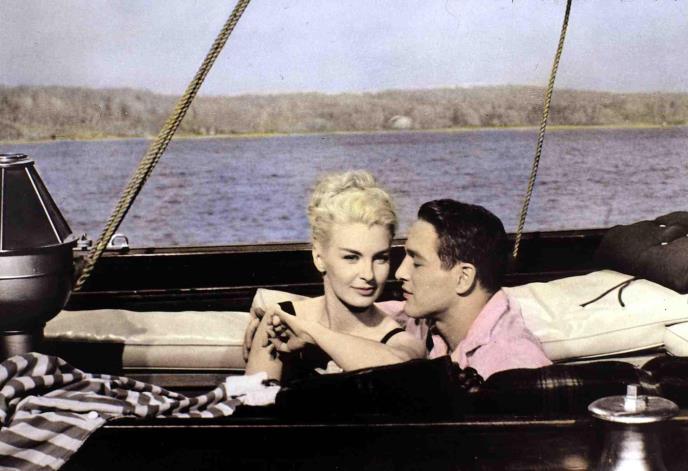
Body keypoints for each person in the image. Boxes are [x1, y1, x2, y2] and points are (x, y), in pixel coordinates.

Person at [244, 170, 425, 382]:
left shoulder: (400, 342)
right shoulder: (280, 321)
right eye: (351, 257)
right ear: (319, 258)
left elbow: (402, 368)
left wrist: (313, 333)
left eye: (380, 258)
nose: (368, 274)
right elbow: (253, 398)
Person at [395, 199, 551, 379]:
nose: (399, 273)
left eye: (416, 263)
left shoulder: (512, 368)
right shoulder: (427, 316)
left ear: (463, 278)